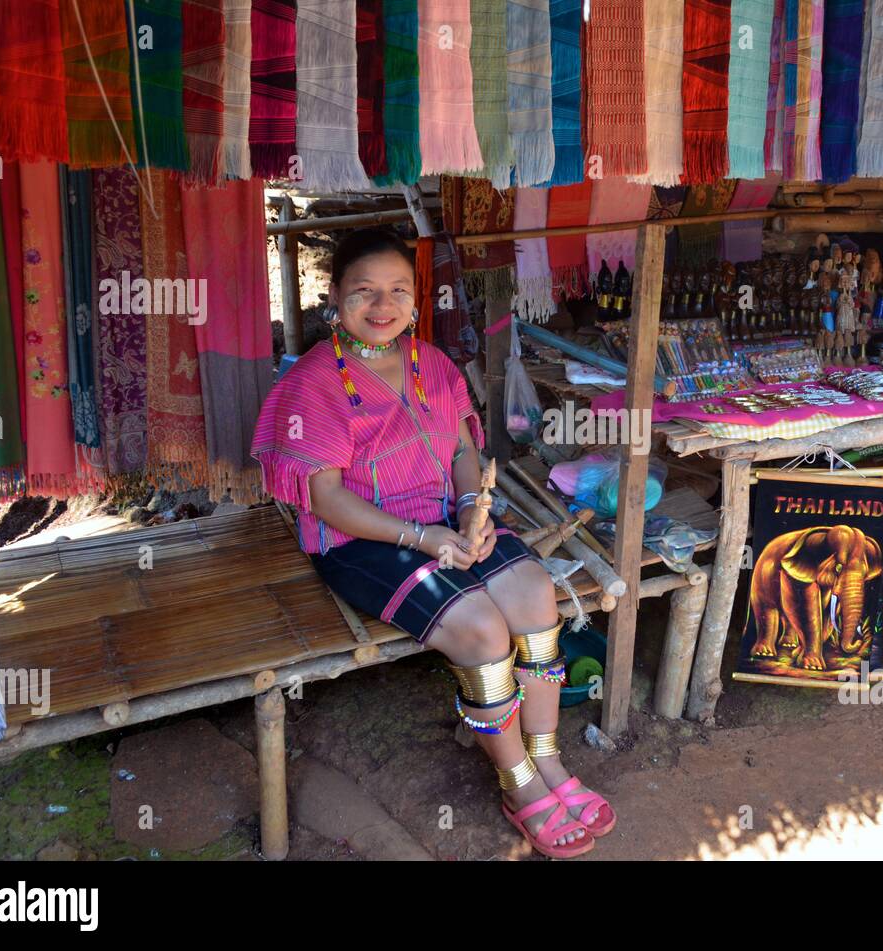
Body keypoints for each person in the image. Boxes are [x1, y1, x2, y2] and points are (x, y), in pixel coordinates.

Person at [251, 228, 614, 858]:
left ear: (417, 301)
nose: (382, 305)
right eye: (364, 291)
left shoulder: (431, 363)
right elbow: (327, 499)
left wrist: (473, 511)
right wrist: (425, 539)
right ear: (334, 295)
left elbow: (463, 450)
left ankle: (549, 758)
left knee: (534, 596)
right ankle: (519, 781)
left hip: (446, 519)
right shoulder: (314, 383)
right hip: (361, 539)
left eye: (397, 291)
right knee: (481, 630)